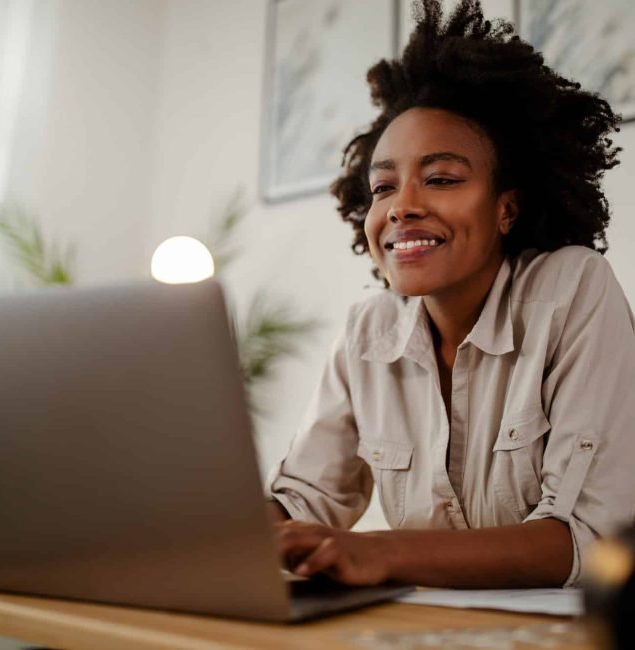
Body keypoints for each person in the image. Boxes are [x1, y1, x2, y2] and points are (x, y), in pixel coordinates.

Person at [267, 0, 635, 588]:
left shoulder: (571, 289)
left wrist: (380, 552)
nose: (402, 206)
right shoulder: (370, 329)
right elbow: (310, 497)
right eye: (383, 186)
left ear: (507, 208)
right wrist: (218, 535)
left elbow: (588, 538)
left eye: (440, 179)